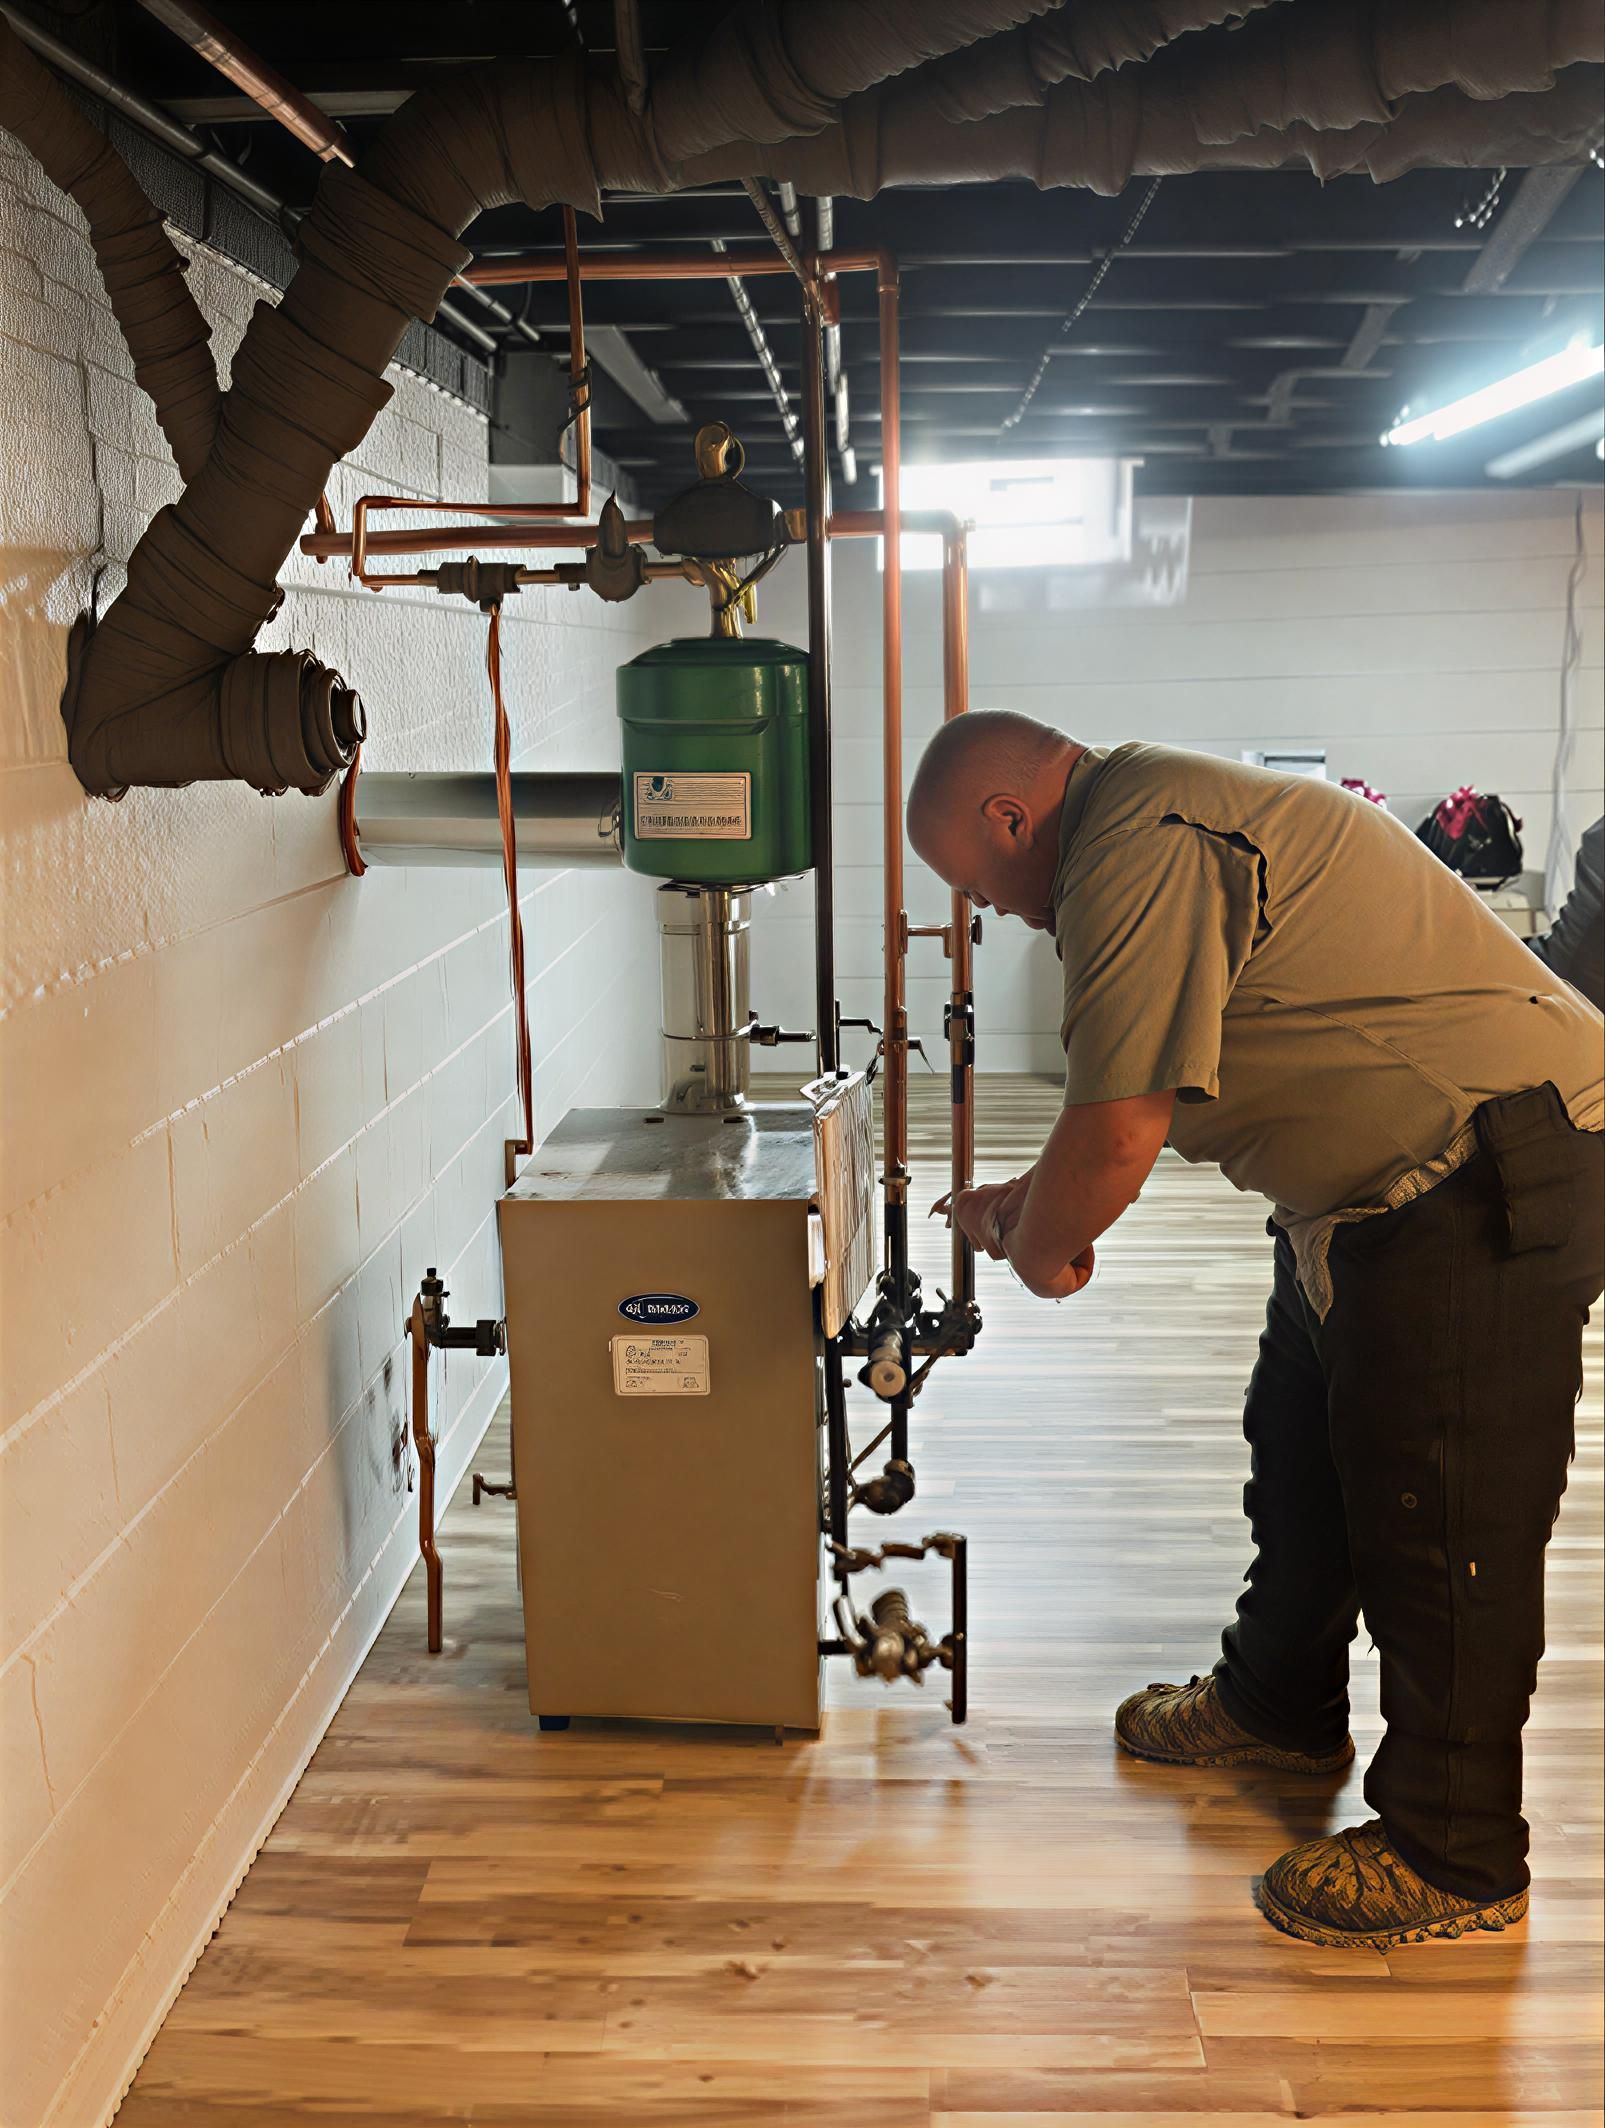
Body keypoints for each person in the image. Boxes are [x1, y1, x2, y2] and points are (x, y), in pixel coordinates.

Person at [907, 711, 1604, 1950]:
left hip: (1487, 1166)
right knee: (1303, 1454)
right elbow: (1128, 1106)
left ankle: (1456, 1852)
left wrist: (1042, 1244)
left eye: (972, 884)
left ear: (1009, 821)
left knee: (1436, 1513)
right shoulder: (1137, 819)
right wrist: (1032, 1199)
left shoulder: (1135, 840)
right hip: (1366, 1191)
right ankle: (1279, 1700)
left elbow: (1120, 1132)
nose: (989, 912)